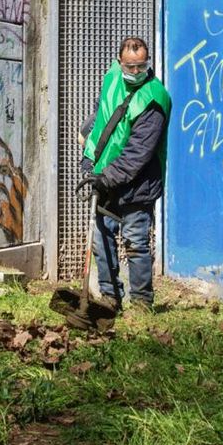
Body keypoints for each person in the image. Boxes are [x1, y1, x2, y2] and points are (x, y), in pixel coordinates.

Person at [77, 37, 171, 311]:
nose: (135, 73)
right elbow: (102, 118)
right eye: (130, 67)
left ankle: (142, 302)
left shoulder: (154, 98)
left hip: (139, 181)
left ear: (148, 63)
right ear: (119, 63)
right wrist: (89, 159)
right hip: (105, 174)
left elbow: (137, 153)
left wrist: (105, 176)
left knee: (135, 241)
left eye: (141, 67)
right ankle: (110, 298)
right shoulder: (111, 78)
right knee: (101, 237)